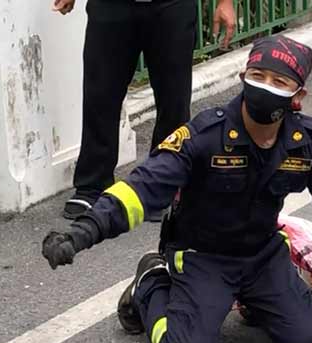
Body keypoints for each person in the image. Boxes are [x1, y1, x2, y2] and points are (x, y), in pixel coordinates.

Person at [41, 35, 312, 343]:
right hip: (202, 256)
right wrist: (83, 232)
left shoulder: (308, 144)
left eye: (280, 82)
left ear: (298, 96)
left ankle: (257, 302)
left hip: (262, 254)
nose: (266, 87)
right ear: (243, 77)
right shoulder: (204, 135)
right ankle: (150, 284)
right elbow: (141, 189)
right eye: (258, 75)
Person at [53, 0, 237, 222]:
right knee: (100, 94)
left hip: (172, 6)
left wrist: (225, 2)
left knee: (173, 98)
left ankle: (163, 183)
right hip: (110, 6)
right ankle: (92, 186)